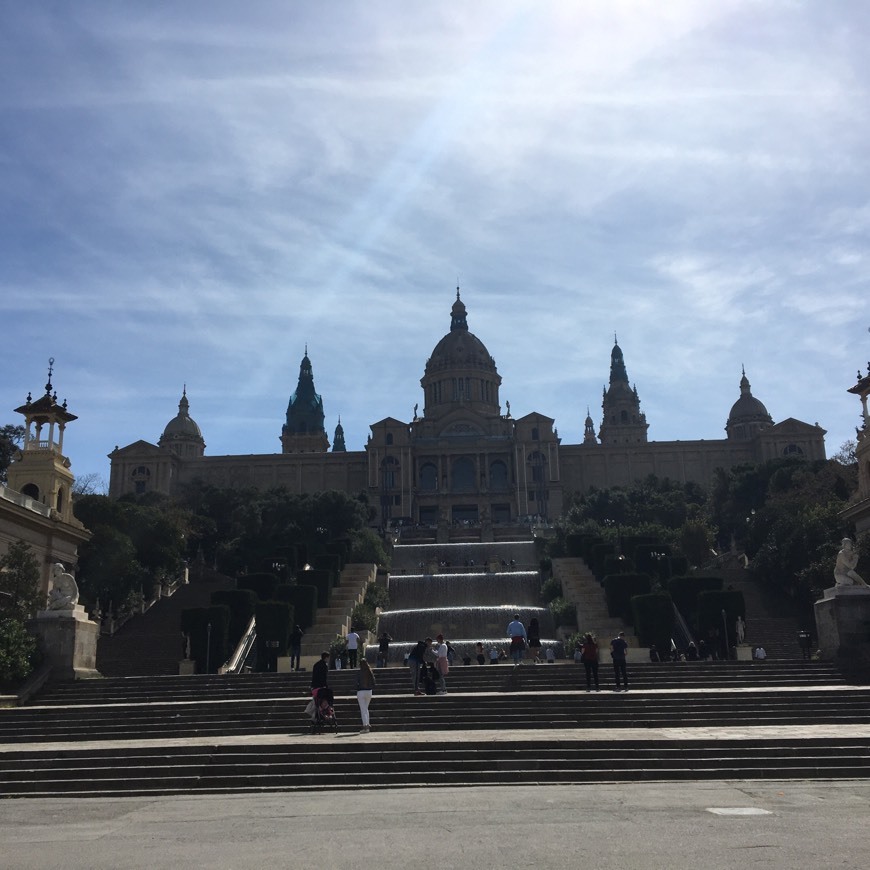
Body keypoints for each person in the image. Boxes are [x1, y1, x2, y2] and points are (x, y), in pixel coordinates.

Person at [356, 660, 376, 732]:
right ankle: (367, 723)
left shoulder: (359, 672)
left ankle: (365, 726)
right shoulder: (370, 672)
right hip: (369, 691)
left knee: (363, 709)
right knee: (366, 709)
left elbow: (356, 682)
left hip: (361, 691)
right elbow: (374, 682)